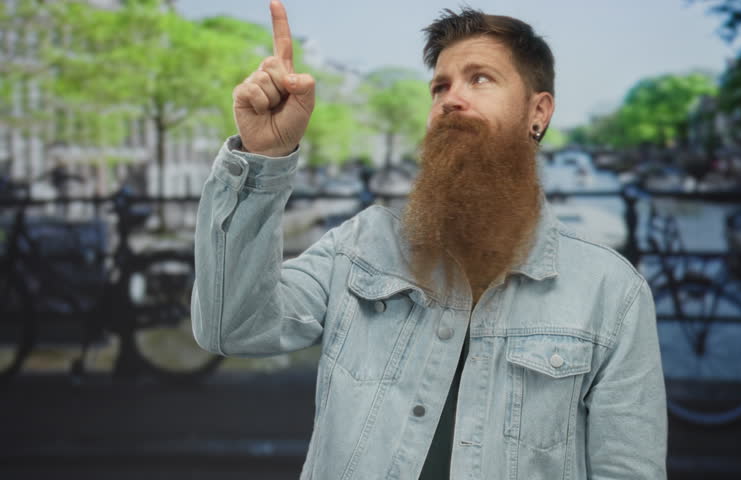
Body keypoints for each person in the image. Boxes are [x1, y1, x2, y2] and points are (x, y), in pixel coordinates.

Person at [191, 1, 668, 478]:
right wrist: (263, 158)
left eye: (480, 78)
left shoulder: (612, 293)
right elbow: (231, 327)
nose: (451, 98)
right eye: (440, 86)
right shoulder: (362, 246)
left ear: (537, 112)